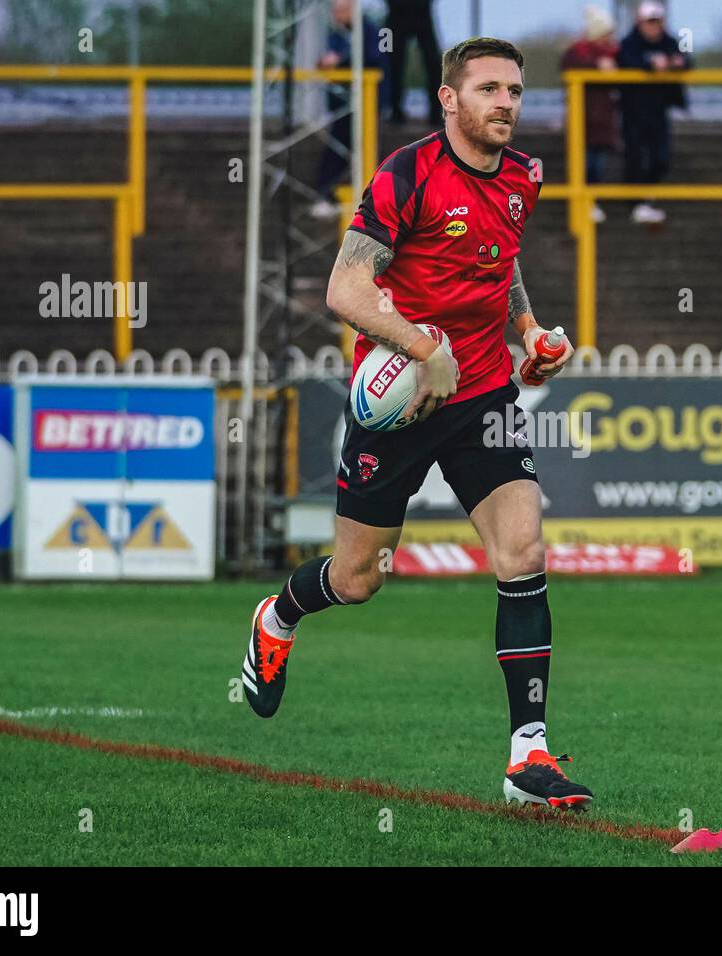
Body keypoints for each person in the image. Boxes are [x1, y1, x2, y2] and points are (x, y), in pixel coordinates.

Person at [240, 38, 595, 811]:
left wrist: (530, 332)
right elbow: (345, 288)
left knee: (523, 546)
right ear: (449, 98)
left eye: (514, 90)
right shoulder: (407, 175)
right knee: (359, 579)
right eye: (489, 89)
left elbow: (501, 264)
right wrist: (422, 347)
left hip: (483, 397)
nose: (505, 103)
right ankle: (279, 615)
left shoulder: (524, 178)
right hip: (399, 400)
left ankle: (526, 758)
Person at [310, 0, 388, 221]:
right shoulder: (334, 35)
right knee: (337, 148)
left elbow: (374, 60)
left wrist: (341, 61)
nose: (337, 15)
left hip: (366, 103)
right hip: (343, 105)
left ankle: (375, 201)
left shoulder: (372, 32)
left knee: (368, 150)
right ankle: (326, 194)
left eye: (342, 10)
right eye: (335, 11)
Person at [616, 0, 692, 225]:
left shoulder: (671, 41)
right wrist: (649, 66)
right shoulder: (629, 42)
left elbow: (688, 57)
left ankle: (644, 196)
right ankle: (636, 201)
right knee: (635, 155)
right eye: (650, 21)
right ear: (639, 22)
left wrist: (679, 62)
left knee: (661, 157)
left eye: (657, 21)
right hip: (634, 111)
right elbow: (626, 61)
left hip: (659, 110)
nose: (654, 26)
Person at [560, 6, 619, 224]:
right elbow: (568, 65)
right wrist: (597, 66)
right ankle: (583, 206)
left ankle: (590, 203)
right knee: (584, 166)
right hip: (582, 123)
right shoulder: (578, 54)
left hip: (602, 124)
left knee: (596, 166)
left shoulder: (615, 55)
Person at [385, 0, 441, 125]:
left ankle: (436, 113)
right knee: (387, 60)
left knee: (434, 62)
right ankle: (393, 111)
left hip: (421, 12)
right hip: (396, 13)